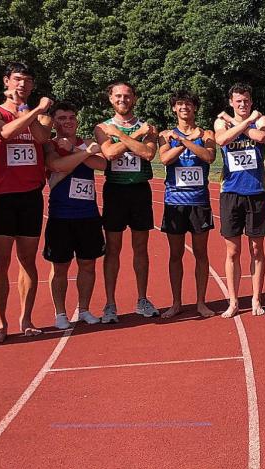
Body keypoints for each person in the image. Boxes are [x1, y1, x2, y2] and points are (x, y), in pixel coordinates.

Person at [0, 62, 53, 343]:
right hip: (3, 195)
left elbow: (42, 137)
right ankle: (0, 323)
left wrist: (31, 113)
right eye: (17, 80)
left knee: (27, 260)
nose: (22, 85)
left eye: (27, 81)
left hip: (31, 196)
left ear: (32, 86)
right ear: (7, 82)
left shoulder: (40, 119)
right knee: (0, 261)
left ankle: (26, 317)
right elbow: (6, 133)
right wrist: (35, 109)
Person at [94, 81, 159, 322]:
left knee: (141, 247)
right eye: (118, 96)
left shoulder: (147, 127)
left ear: (135, 98)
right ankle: (110, 304)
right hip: (115, 192)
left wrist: (123, 135)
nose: (123, 99)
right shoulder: (102, 127)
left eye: (127, 96)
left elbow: (149, 154)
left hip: (140, 191)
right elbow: (109, 154)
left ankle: (142, 299)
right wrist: (135, 138)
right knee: (113, 248)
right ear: (111, 99)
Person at [43, 102, 107, 330]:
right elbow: (55, 165)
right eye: (61, 118)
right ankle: (60, 313)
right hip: (61, 215)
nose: (68, 121)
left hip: (88, 215)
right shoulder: (49, 144)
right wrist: (84, 155)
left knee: (88, 264)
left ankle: (84, 309)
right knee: (59, 267)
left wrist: (74, 150)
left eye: (71, 117)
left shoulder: (87, 142)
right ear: (54, 121)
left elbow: (101, 164)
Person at [157, 90, 216, 318]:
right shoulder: (165, 135)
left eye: (189, 104)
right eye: (180, 104)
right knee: (175, 254)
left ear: (195, 108)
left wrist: (183, 141)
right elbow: (164, 159)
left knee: (201, 254)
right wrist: (184, 142)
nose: (184, 108)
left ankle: (201, 302)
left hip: (199, 203)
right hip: (174, 202)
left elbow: (208, 156)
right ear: (174, 108)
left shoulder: (207, 133)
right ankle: (176, 302)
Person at [214, 83, 265, 318]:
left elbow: (260, 135)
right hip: (231, 193)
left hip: (256, 192)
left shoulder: (262, 119)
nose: (243, 104)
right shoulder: (220, 122)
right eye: (238, 101)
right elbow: (222, 140)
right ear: (231, 102)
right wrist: (246, 122)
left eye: (246, 100)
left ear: (251, 101)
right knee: (233, 251)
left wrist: (238, 123)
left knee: (257, 249)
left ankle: (256, 298)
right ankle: (234, 300)